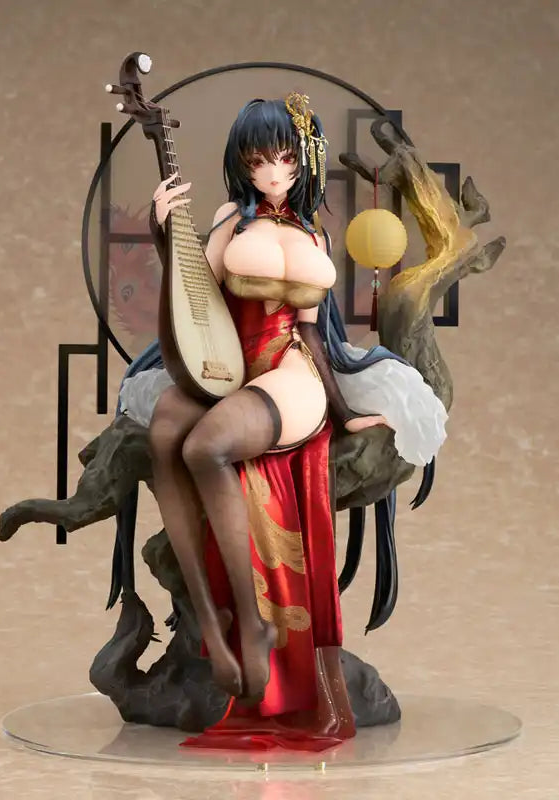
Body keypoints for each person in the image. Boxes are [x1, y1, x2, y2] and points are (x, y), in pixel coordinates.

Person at [115, 93, 448, 750]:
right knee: (164, 433)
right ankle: (211, 624)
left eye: (284, 159)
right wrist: (162, 229)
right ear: (242, 164)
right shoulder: (227, 221)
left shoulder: (315, 233)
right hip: (223, 359)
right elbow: (191, 292)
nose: (272, 172)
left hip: (290, 368)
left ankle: (252, 622)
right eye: (258, 160)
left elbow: (315, 332)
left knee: (206, 447)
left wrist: (344, 411)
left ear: (303, 159)